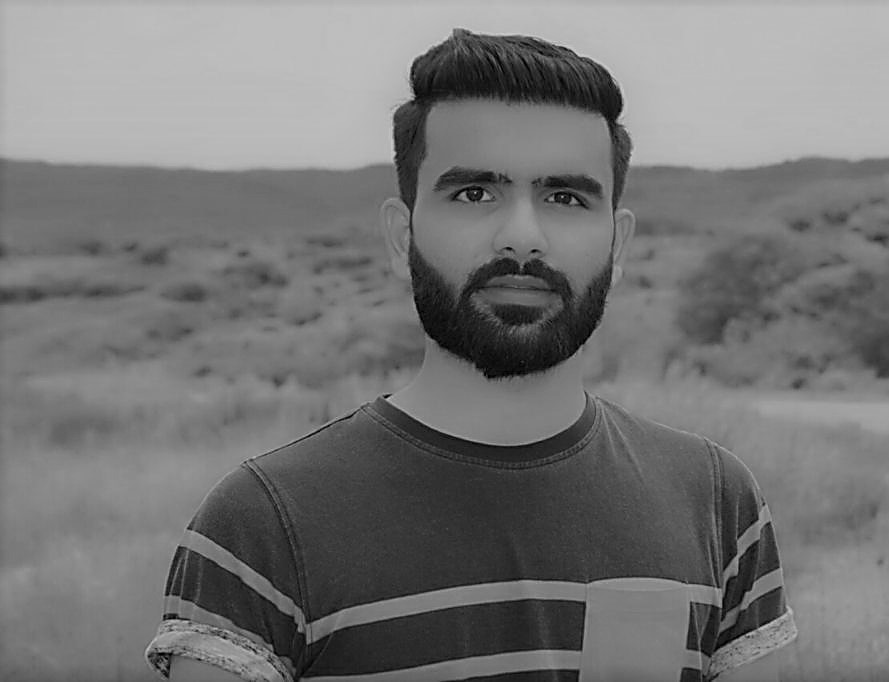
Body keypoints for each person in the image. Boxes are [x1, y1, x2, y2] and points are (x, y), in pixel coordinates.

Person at [145, 28, 797, 682]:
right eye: (475, 193)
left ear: (618, 245)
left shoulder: (716, 501)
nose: (523, 237)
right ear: (401, 238)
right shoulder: (261, 526)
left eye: (565, 198)